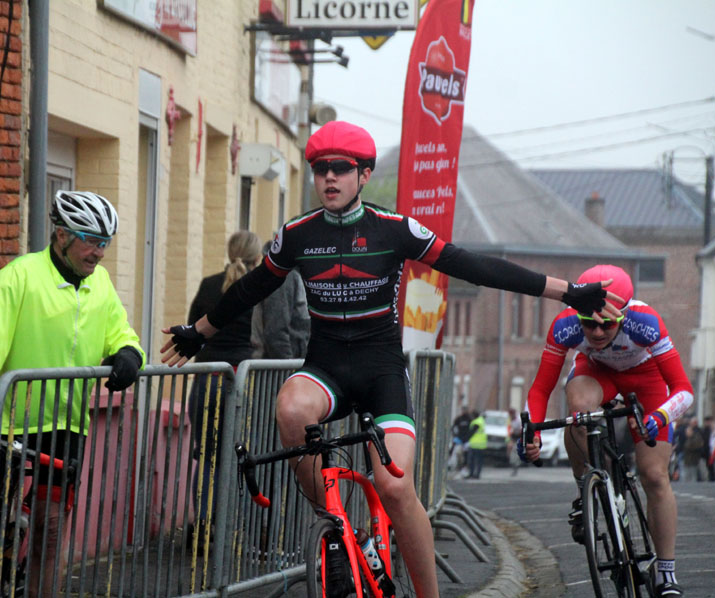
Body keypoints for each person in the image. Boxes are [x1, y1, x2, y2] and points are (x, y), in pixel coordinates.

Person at [160, 121, 620, 598]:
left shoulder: (395, 230)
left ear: (364, 175)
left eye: (341, 169)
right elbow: (252, 288)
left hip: (382, 372)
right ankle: (339, 529)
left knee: (396, 487)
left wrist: (568, 293)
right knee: (291, 408)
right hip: (326, 368)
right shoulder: (297, 235)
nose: (329, 179)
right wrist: (199, 332)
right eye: (320, 170)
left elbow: (474, 266)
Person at [0, 190, 145, 598]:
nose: (100, 253)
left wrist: (129, 354)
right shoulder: (21, 276)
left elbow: (121, 332)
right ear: (62, 234)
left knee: (49, 533)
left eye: (106, 243)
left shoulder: (100, 285)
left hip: (66, 429)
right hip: (10, 425)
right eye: (91, 240)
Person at [518, 264, 693, 598]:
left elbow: (683, 389)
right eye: (589, 324)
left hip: (648, 380)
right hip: (597, 374)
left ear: (623, 317)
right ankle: (589, 484)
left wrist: (659, 416)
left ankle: (666, 572)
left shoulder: (646, 323)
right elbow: (541, 389)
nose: (596, 334)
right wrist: (531, 432)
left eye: (606, 325)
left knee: (654, 475)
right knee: (578, 411)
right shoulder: (565, 325)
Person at [186, 230, 263, 542]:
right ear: (258, 258)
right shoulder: (260, 288)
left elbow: (193, 332)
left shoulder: (208, 285)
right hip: (245, 381)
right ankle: (231, 531)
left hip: (207, 379)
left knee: (206, 457)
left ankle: (202, 528)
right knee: (241, 457)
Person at [251, 239, 310, 359]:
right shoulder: (284, 277)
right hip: (279, 369)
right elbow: (276, 331)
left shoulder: (292, 274)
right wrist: (288, 369)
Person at [465, 410, 487, 479]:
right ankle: (477, 474)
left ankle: (472, 474)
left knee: (472, 461)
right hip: (481, 445)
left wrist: (466, 440)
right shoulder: (481, 421)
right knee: (479, 461)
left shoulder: (477, 422)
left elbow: (472, 432)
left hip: (475, 444)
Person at [450, 403, 472, 472]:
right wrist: (455, 435)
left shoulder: (470, 419)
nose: (464, 411)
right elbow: (453, 427)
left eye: (465, 410)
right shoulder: (459, 419)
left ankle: (464, 466)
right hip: (459, 438)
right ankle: (452, 463)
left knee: (466, 454)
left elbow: (472, 429)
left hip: (467, 439)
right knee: (454, 450)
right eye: (463, 410)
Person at [682, 417, 704, 482]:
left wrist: (689, 446)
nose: (686, 433)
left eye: (687, 432)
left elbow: (696, 445)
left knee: (693, 476)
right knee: (687, 476)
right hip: (687, 460)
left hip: (693, 459)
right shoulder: (688, 439)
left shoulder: (696, 436)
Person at [507, 408, 522, 475]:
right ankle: (514, 465)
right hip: (512, 438)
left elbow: (520, 431)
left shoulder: (518, 421)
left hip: (517, 439)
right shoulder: (511, 420)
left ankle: (515, 467)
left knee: (515, 454)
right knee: (511, 454)